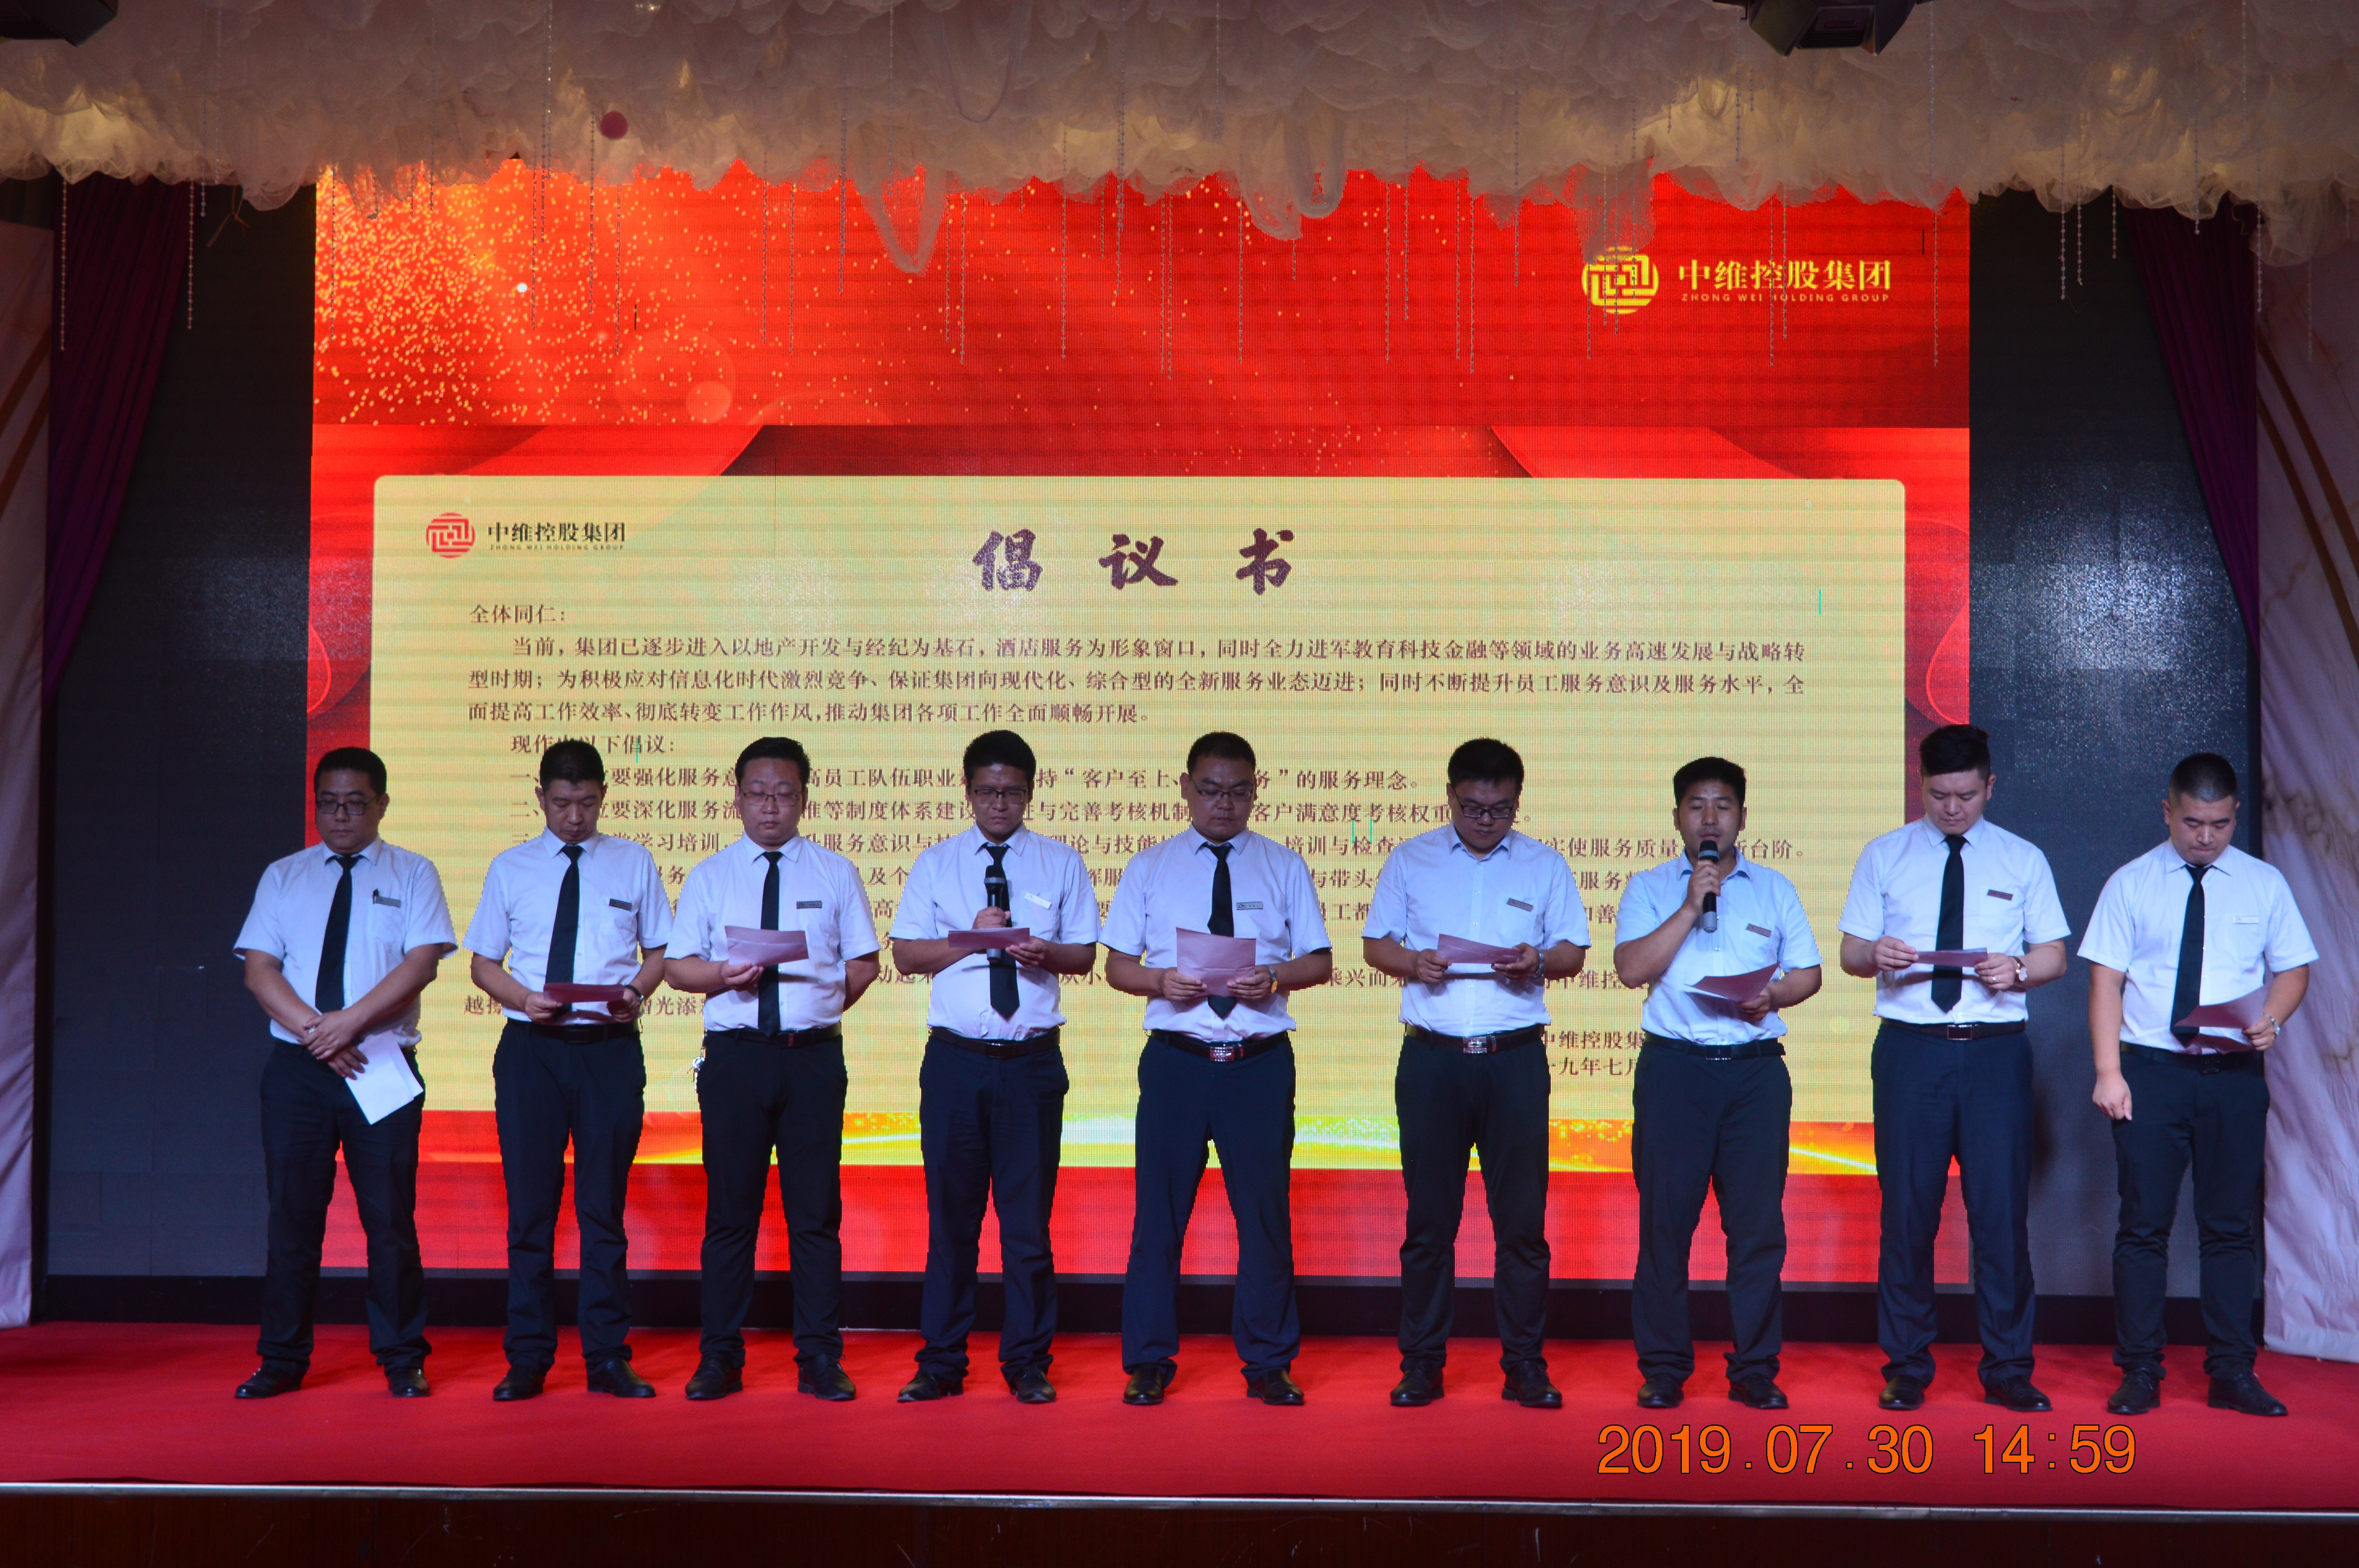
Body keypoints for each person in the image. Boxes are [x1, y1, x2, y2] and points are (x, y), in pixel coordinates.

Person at [1838, 724, 2070, 1414]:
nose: (1952, 808)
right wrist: (1875, 954)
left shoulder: (2022, 859)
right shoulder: (1884, 855)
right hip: (1912, 1051)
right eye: (1939, 795)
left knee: (2000, 1216)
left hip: (1995, 1052)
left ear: (1989, 787)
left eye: (1966, 795)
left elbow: (2055, 956)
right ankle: (1907, 1365)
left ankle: (2009, 1367)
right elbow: (1850, 953)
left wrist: (2019, 969)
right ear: (1922, 785)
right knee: (1908, 1213)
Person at [2083, 753, 2316, 1418]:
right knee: (2143, 1227)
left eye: (2219, 824)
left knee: (2230, 1228)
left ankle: (2232, 1371)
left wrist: (2273, 1018)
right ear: (2168, 812)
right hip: (2151, 1073)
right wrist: (2109, 1071)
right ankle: (2140, 1370)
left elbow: (2294, 969)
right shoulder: (2131, 883)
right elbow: (2106, 981)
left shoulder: (2264, 884)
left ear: (2235, 815)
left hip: (2233, 1075)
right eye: (2192, 823)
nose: (2206, 837)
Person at [1105, 731, 1333, 1406]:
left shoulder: (1284, 866)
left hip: (1258, 1065)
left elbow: (1319, 961)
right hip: (1177, 1062)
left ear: (1256, 791)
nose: (1224, 804)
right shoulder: (1150, 867)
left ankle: (1268, 1363)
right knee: (1158, 1217)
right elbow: (1116, 966)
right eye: (1210, 790)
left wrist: (1275, 977)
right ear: (1186, 788)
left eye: (1237, 792)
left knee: (1264, 1217)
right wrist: (1160, 981)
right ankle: (1149, 1360)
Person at [1362, 738, 1588, 1410]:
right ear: (1450, 797)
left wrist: (1537, 960)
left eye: (1500, 810)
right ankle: (1422, 1365)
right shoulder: (1411, 859)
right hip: (1433, 1060)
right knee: (1429, 1225)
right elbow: (1375, 945)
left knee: (1521, 1225)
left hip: (1514, 1061)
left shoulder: (1545, 865)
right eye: (1472, 808)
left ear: (1517, 802)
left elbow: (1574, 952)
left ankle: (1524, 1365)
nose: (1486, 821)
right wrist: (1414, 963)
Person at [232, 747, 456, 1399]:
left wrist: (348, 1024)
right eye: (328, 803)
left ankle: (402, 1357)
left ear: (381, 805)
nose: (340, 816)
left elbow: (422, 964)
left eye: (355, 804)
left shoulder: (414, 872)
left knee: (390, 1220)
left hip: (379, 1060)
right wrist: (317, 1032)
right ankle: (281, 1359)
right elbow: (259, 971)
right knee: (293, 1217)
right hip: (298, 1069)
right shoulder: (285, 875)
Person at [667, 737, 881, 1402]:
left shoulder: (835, 873)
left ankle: (819, 1357)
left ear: (804, 799)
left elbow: (865, 963)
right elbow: (678, 969)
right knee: (730, 1216)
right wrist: (722, 976)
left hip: (812, 1059)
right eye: (758, 794)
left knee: (815, 1216)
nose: (770, 807)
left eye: (784, 794)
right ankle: (719, 1358)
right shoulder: (711, 876)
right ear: (737, 798)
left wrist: (818, 1006)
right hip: (737, 1060)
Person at [890, 731, 1100, 1405]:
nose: (999, 803)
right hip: (957, 1063)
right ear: (968, 790)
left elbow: (1085, 956)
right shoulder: (938, 864)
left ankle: (1028, 1362)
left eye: (1011, 792)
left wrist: (1044, 954)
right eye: (987, 791)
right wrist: (970, 938)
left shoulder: (1061, 862)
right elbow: (906, 956)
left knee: (1027, 1226)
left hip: (1031, 1065)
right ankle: (941, 1362)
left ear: (1030, 792)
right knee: (952, 1222)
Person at [465, 740, 672, 1401]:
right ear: (541, 797)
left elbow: (661, 953)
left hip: (609, 1049)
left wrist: (636, 992)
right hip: (532, 1050)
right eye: (561, 804)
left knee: (602, 1210)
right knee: (531, 1211)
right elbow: (483, 963)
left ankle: (607, 1356)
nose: (575, 817)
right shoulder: (511, 867)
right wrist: (523, 998)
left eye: (586, 803)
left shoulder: (633, 861)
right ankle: (528, 1356)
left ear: (603, 795)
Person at [1613, 758, 1822, 1412]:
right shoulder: (1650, 888)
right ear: (1677, 817)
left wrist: (1774, 995)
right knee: (1665, 1227)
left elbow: (1808, 974)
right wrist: (1689, 907)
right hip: (1675, 1072)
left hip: (1755, 1074)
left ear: (1743, 817)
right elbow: (1631, 968)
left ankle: (1755, 1368)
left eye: (1723, 806)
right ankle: (1664, 1368)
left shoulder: (1775, 889)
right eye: (1697, 806)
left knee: (1757, 1229)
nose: (1710, 818)